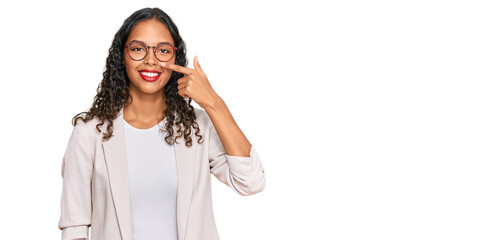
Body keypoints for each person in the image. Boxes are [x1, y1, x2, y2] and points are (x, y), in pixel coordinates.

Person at [58, 7, 266, 240]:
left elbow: (251, 182)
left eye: (163, 50)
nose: (150, 60)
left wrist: (213, 102)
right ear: (122, 56)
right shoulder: (89, 132)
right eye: (138, 49)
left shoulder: (198, 127)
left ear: (175, 57)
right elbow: (74, 227)